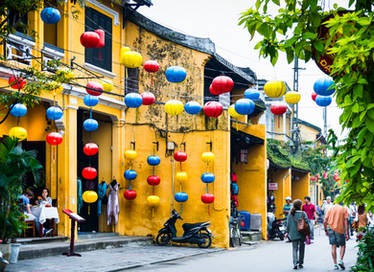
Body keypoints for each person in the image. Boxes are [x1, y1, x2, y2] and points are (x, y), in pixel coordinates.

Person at [324, 195, 349, 270]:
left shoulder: (330, 208)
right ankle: (340, 260)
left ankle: (335, 264)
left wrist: (326, 230)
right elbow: (346, 221)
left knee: (333, 246)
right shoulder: (344, 209)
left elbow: (325, 221)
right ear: (341, 200)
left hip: (331, 229)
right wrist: (347, 232)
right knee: (343, 245)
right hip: (340, 229)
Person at [285, 199, 309, 270]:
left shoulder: (290, 214)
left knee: (294, 248)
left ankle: (295, 263)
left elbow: (288, 224)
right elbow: (307, 223)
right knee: (302, 248)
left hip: (293, 233)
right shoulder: (303, 213)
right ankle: (300, 263)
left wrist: (287, 232)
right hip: (302, 233)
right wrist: (308, 233)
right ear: (300, 205)